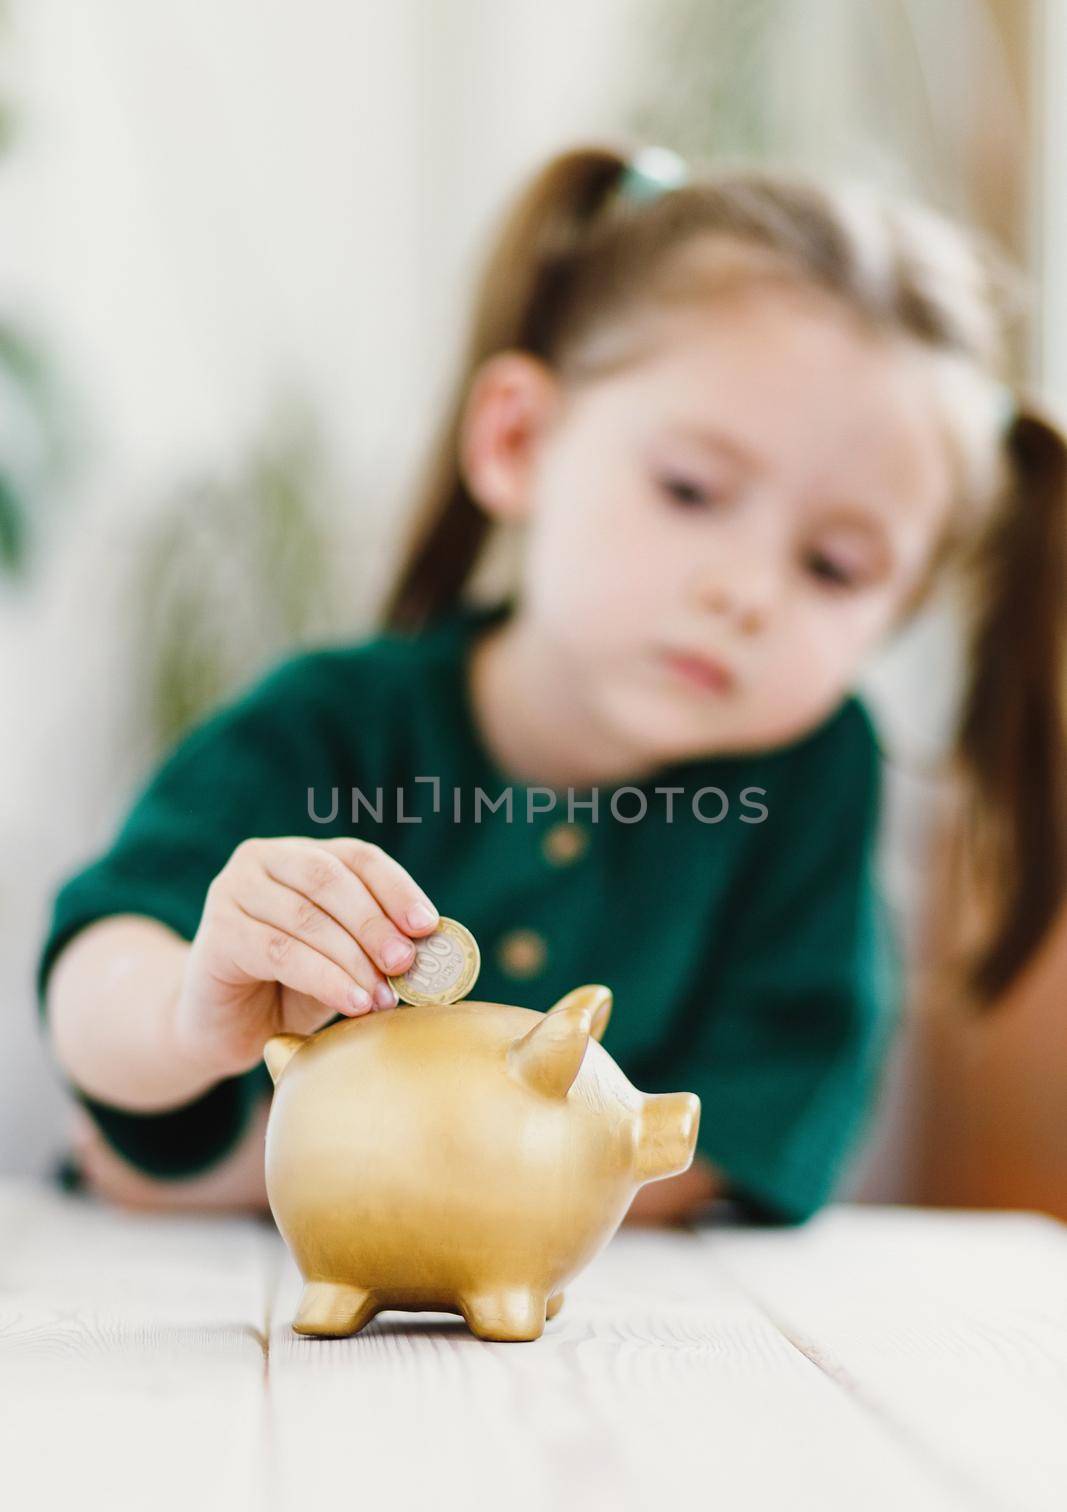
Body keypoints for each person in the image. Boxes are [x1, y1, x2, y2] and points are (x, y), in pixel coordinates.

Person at [35, 144, 1067, 1227]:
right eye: (690, 489)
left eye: (833, 567)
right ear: (518, 438)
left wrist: (282, 1175)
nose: (748, 592)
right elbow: (100, 968)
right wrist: (187, 1020)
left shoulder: (814, 774)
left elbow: (766, 1114)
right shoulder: (326, 724)